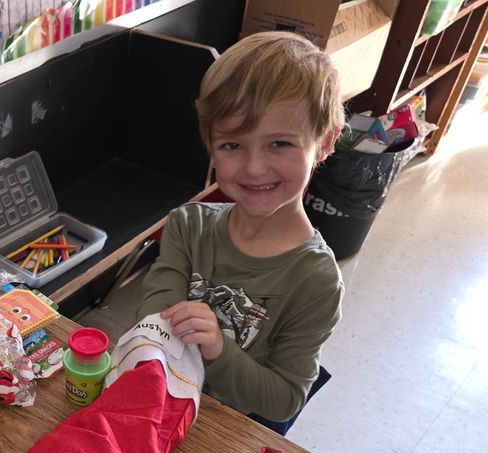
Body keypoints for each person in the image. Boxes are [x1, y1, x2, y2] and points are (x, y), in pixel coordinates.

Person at [138, 31, 345, 423]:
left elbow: (284, 400)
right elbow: (153, 317)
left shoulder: (316, 279)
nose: (253, 168)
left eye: (279, 144)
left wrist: (217, 346)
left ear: (324, 142)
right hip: (163, 404)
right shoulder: (188, 225)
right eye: (232, 146)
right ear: (211, 147)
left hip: (228, 431)